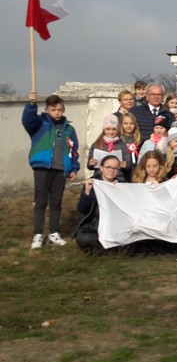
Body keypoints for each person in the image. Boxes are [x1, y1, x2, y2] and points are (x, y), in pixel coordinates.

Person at [23, 91, 80, 249]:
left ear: (64, 110)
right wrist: (31, 105)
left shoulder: (69, 129)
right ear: (47, 110)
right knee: (41, 201)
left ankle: (54, 233)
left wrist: (73, 167)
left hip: (60, 168)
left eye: (59, 110)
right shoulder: (39, 123)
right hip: (42, 167)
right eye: (53, 110)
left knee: (56, 202)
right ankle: (38, 234)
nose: (57, 113)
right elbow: (27, 120)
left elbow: (73, 149)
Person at [75, 154, 124, 252]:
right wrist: (87, 193)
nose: (111, 170)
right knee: (85, 239)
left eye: (115, 168)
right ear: (101, 168)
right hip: (94, 224)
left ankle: (107, 248)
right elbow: (82, 209)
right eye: (108, 167)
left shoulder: (123, 185)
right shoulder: (92, 183)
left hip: (115, 225)